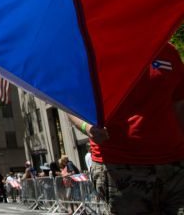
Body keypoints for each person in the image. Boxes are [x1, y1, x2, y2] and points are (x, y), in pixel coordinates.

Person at [69, 41, 184, 214]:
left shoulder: (168, 51)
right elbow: (70, 101)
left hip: (175, 164)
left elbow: (179, 105)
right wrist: (88, 127)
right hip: (121, 166)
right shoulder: (95, 51)